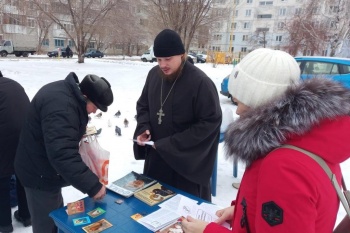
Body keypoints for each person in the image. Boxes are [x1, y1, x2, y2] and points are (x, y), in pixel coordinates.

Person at [181, 48, 350, 233]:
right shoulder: (310, 139)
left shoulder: (283, 167)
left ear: (259, 98)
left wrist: (208, 231)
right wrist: (240, 210)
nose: (237, 112)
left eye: (239, 102)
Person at [14, 72, 113, 233]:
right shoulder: (63, 109)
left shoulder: (66, 92)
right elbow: (62, 154)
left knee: (55, 216)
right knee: (47, 224)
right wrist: (92, 185)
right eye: (95, 107)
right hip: (38, 175)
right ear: (85, 96)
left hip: (46, 170)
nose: (95, 112)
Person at [133, 29, 222, 202]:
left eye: (168, 59)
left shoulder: (200, 82)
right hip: (157, 161)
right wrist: (144, 127)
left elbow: (210, 122)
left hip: (186, 167)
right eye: (159, 59)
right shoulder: (153, 75)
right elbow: (143, 105)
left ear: (181, 55)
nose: (162, 65)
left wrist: (172, 144)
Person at [0, 71, 31, 233]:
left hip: (4, 138)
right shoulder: (14, 84)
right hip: (26, 135)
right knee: (21, 175)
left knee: (2, 179)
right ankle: (26, 215)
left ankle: (4, 223)